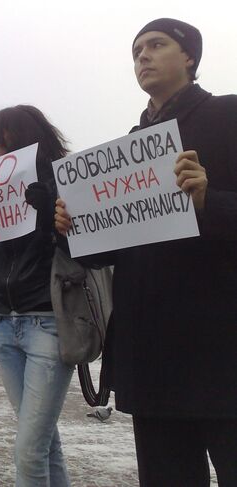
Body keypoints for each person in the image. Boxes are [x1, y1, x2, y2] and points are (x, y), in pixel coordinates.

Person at [55, 18, 237, 486]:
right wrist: (74, 231)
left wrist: (208, 201)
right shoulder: (129, 151)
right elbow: (106, 255)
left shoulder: (229, 116)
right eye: (137, 51)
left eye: (157, 45)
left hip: (220, 347)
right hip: (151, 348)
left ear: (190, 58)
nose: (143, 56)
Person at [0, 105, 73, 486]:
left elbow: (90, 250)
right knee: (41, 439)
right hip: (3, 323)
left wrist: (48, 215)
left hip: (47, 322)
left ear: (18, 136)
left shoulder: (65, 181)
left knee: (28, 448)